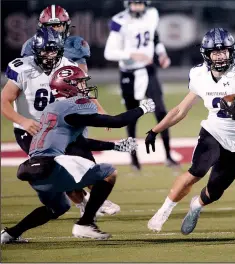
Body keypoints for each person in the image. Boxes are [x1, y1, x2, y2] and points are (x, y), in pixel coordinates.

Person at [1, 65, 155, 243]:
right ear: (68, 86)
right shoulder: (72, 107)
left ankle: (10, 234)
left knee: (57, 207)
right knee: (108, 173)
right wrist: (142, 109)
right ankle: (85, 223)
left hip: (34, 172)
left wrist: (114, 147)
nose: (84, 86)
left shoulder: (53, 110)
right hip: (50, 168)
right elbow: (117, 122)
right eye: (80, 82)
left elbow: (80, 143)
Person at [144, 28, 235, 235]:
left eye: (224, 51)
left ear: (232, 51)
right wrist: (155, 129)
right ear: (206, 54)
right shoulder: (198, 74)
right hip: (212, 131)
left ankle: (197, 206)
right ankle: (163, 211)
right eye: (215, 52)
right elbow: (180, 109)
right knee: (197, 170)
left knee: (215, 190)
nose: (220, 56)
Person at [20, 4, 120, 216]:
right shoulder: (31, 47)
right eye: (51, 26)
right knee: (57, 165)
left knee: (82, 157)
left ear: (67, 26)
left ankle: (95, 198)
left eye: (59, 26)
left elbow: (81, 83)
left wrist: (98, 108)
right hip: (44, 115)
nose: (56, 30)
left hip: (70, 110)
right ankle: (82, 204)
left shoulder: (76, 46)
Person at [104, 0, 178, 171]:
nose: (137, 7)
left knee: (161, 111)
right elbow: (109, 52)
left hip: (148, 70)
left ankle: (168, 155)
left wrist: (161, 54)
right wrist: (131, 54)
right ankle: (134, 158)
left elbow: (155, 37)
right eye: (134, 3)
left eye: (140, 3)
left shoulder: (152, 14)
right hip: (129, 73)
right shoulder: (119, 20)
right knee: (132, 117)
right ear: (128, 4)